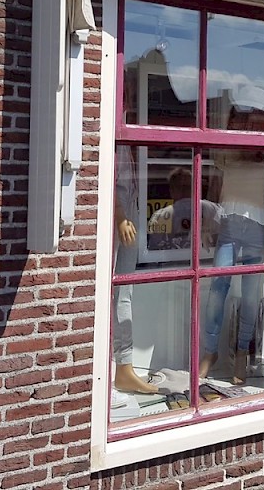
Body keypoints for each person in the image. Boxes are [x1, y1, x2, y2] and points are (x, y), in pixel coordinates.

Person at [200, 84, 264, 384]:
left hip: (257, 229)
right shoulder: (229, 151)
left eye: (255, 117)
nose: (250, 123)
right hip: (229, 224)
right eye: (245, 116)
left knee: (251, 297)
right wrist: (209, 223)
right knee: (218, 289)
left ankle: (242, 351)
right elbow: (215, 188)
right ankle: (210, 351)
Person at [111, 145, 159, 394]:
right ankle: (119, 365)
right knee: (115, 291)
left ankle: (124, 366)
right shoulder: (118, 140)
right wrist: (119, 215)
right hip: (117, 213)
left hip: (129, 210)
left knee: (123, 291)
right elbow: (106, 176)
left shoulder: (127, 143)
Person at [147, 167, 223, 251]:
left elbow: (154, 250)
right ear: (195, 188)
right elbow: (225, 239)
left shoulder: (160, 216)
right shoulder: (214, 209)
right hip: (208, 258)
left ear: (172, 190)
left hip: (173, 259)